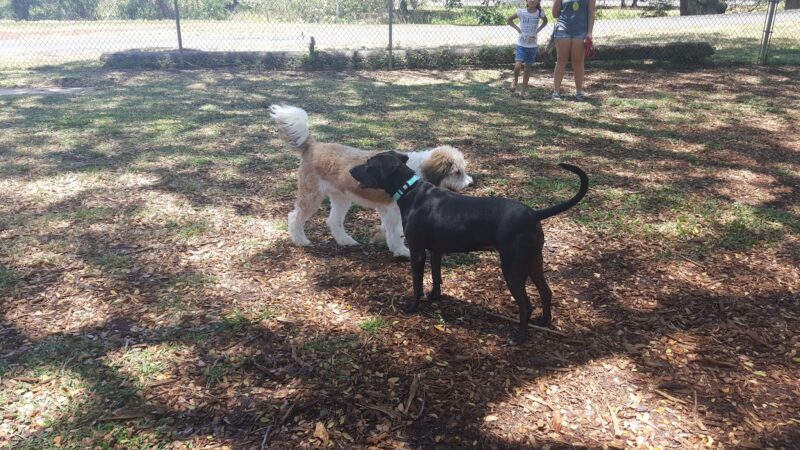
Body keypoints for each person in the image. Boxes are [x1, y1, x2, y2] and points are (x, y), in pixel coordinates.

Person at [551, 0, 595, 100]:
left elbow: (591, 13)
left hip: (581, 31)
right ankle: (556, 92)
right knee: (561, 60)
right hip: (563, 29)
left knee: (578, 61)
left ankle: (579, 92)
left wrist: (589, 33)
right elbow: (554, 14)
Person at [506, 0, 548, 98]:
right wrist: (518, 29)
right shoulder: (521, 11)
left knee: (528, 68)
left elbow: (545, 21)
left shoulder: (540, 13)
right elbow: (509, 20)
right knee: (517, 65)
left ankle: (523, 90)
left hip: (532, 46)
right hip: (521, 44)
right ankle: (515, 80)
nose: (532, 1)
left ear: (539, 1)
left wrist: (538, 30)